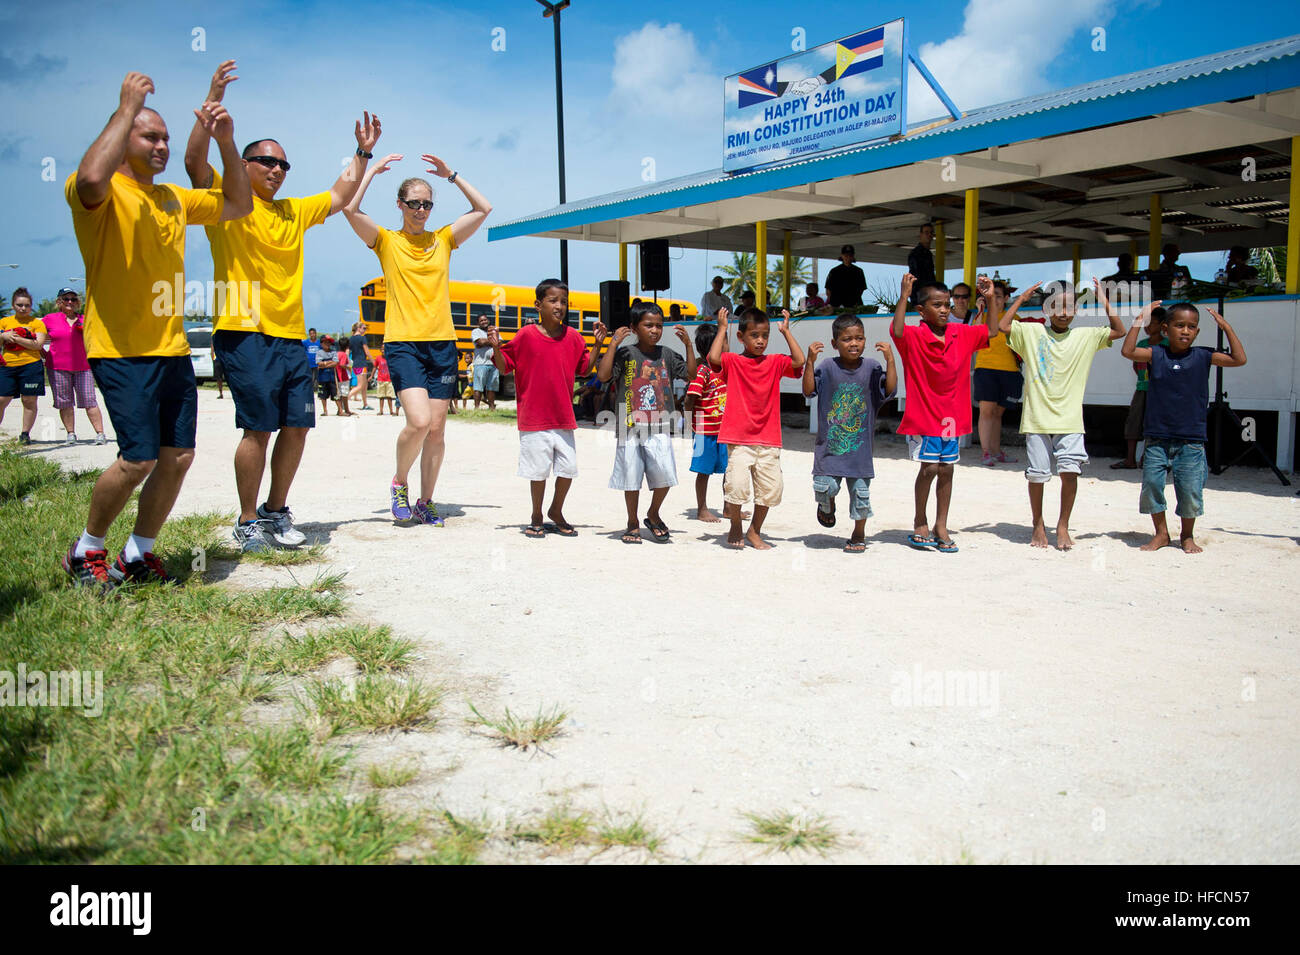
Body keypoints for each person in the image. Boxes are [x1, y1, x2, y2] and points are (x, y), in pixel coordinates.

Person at [62, 70, 252, 590]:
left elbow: (238, 204)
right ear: (122, 138)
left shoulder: (171, 198)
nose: (163, 145)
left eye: (167, 137)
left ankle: (137, 554)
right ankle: (87, 550)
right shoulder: (99, 196)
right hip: (120, 348)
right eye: (151, 135)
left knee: (178, 456)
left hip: (169, 350)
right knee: (137, 458)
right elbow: (91, 180)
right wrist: (126, 107)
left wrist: (226, 141)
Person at [184, 60, 380, 552]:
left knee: (297, 428)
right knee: (259, 429)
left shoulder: (293, 211)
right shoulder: (227, 203)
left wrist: (362, 152)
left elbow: (340, 192)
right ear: (244, 166)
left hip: (292, 336)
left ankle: (276, 513)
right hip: (243, 331)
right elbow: (193, 165)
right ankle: (247, 519)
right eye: (266, 162)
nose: (276, 170)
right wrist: (211, 107)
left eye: (283, 165)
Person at [342, 150, 491, 527]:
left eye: (427, 203)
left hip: (442, 344)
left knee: (438, 430)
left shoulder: (443, 240)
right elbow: (349, 209)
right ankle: (399, 482)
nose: (422, 210)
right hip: (403, 343)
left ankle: (426, 501)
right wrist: (371, 171)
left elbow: (483, 208)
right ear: (401, 205)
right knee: (419, 421)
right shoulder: (386, 242)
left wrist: (451, 175)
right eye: (414, 203)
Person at [1002, 278, 1125, 550]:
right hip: (1036, 419)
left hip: (1070, 420)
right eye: (1056, 306)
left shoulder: (1086, 336)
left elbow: (1119, 330)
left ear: (1076, 311)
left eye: (1069, 306)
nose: (1063, 312)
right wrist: (1021, 299)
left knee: (1070, 472)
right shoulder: (1032, 333)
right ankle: (1037, 524)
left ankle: (1063, 525)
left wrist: (1104, 301)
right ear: (1046, 309)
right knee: (1037, 475)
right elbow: (1003, 326)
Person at [1122, 300, 1247, 554]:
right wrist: (1138, 320)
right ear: (1165, 329)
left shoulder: (1203, 356)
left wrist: (1226, 327)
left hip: (1191, 439)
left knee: (1190, 491)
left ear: (1197, 332)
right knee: (1152, 487)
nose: (1186, 331)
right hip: (1157, 437)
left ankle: (1187, 536)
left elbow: (1239, 359)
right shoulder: (1157, 353)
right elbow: (1128, 351)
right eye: (1180, 325)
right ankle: (1161, 534)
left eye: (1192, 326)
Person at [891, 273, 996, 553]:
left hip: (951, 417)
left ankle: (941, 524)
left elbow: (993, 331)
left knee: (947, 469)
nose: (944, 310)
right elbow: (897, 331)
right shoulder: (913, 336)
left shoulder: (960, 333)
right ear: (921, 311)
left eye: (947, 305)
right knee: (929, 468)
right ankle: (919, 521)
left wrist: (991, 298)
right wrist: (904, 295)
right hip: (923, 415)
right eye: (937, 305)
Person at [488, 278, 602, 538]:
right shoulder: (525, 335)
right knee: (538, 472)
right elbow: (505, 366)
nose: (559, 306)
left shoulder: (573, 337)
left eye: (563, 301)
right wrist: (496, 347)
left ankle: (556, 510)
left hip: (563, 417)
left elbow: (584, 369)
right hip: (534, 417)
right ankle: (536, 514)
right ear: (538, 305)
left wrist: (597, 344)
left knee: (567, 469)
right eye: (553, 300)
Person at [596, 301, 696, 544]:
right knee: (631, 476)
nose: (654, 330)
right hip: (629, 425)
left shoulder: (668, 355)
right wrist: (612, 344)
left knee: (665, 474)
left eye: (659, 326)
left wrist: (688, 345)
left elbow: (691, 375)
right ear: (634, 327)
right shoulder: (626, 353)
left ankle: (653, 513)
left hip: (661, 424)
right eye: (648, 325)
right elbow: (603, 375)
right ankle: (632, 522)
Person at [707, 306, 806, 550]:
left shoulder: (774, 362)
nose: (760, 341)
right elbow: (714, 359)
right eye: (754, 335)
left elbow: (799, 361)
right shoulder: (734, 361)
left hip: (768, 438)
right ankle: (735, 525)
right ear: (741, 337)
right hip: (739, 438)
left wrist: (786, 332)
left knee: (770, 489)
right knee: (737, 485)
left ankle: (754, 530)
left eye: (765, 336)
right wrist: (722, 329)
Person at [802, 316, 897, 553]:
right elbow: (808, 391)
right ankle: (827, 505)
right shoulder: (827, 367)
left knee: (861, 496)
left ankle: (858, 533)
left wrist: (891, 360)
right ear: (835, 343)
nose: (853, 343)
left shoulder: (873, 368)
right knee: (824, 487)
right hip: (830, 449)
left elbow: (891, 391)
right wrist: (810, 362)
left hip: (859, 453)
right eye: (847, 339)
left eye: (859, 338)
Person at [972, 280, 1036, 466]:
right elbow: (976, 335)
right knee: (986, 412)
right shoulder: (981, 316)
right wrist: (980, 309)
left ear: (1006, 298)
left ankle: (996, 450)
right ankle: (985, 452)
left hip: (1009, 370)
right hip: (985, 368)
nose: (995, 299)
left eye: (998, 296)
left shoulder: (1013, 318)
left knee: (998, 414)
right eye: (991, 296)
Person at [40, 288, 108, 445]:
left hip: (84, 367)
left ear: (77, 302)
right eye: (66, 299)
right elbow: (36, 338)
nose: (70, 302)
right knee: (65, 402)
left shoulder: (85, 319)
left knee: (90, 400)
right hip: (57, 367)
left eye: (73, 299)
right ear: (59, 302)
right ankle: (71, 434)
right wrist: (44, 354)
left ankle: (100, 434)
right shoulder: (49, 319)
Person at [684, 322, 729, 522]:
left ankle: (729, 507)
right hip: (704, 432)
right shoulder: (703, 371)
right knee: (704, 471)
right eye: (724, 340)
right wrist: (688, 421)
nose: (727, 345)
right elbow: (690, 398)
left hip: (726, 430)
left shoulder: (727, 369)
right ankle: (701, 509)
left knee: (730, 470)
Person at [1112, 307, 1166, 470]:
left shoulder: (1167, 345)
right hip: (1142, 387)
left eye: (1152, 323)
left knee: (1153, 423)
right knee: (1134, 422)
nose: (1147, 327)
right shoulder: (1142, 344)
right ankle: (1130, 459)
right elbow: (1136, 365)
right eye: (1146, 323)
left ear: (1163, 325)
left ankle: (1146, 458)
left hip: (1160, 391)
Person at [0, 287, 49, 444]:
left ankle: (25, 434)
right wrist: (3, 335)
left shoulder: (37, 324)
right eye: (20, 305)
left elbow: (37, 345)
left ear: (31, 306)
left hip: (30, 366)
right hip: (7, 366)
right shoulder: (4, 322)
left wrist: (14, 337)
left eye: (27, 305)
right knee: (2, 400)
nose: (23, 308)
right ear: (13, 305)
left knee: (28, 401)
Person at [470, 313, 498, 410]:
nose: (484, 322)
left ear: (488, 320)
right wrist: (492, 341)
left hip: (494, 363)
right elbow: (480, 343)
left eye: (485, 320)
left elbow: (500, 343)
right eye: (481, 321)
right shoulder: (475, 331)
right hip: (480, 363)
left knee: (492, 387)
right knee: (478, 387)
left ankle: (491, 407)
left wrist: (487, 341)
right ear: (478, 323)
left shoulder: (493, 330)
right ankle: (477, 408)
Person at [825, 244, 867, 309]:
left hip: (854, 305)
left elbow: (861, 289)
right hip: (837, 305)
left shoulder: (859, 271)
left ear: (853, 256)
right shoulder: (834, 271)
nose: (848, 257)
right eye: (846, 255)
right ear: (842, 256)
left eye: (850, 255)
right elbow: (828, 290)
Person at [906, 224, 937, 303]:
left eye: (931, 233)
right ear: (921, 235)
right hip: (920, 297)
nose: (929, 235)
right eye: (926, 232)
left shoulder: (928, 254)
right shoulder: (916, 253)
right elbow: (915, 277)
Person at [347, 321, 374, 410]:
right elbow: (367, 352)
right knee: (360, 385)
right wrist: (374, 362)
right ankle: (345, 400)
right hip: (361, 363)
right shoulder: (362, 338)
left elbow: (348, 351)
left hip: (355, 364)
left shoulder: (351, 339)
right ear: (359, 328)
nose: (365, 330)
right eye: (364, 328)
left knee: (365, 385)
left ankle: (365, 404)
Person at [315, 336, 339, 414]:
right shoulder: (319, 352)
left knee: (335, 394)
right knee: (323, 395)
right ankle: (325, 410)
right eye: (326, 342)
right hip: (322, 377)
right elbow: (318, 363)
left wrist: (324, 364)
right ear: (321, 343)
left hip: (332, 377)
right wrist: (329, 362)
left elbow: (335, 363)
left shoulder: (333, 352)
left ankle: (340, 410)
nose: (328, 344)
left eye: (329, 342)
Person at [373, 349, 396, 414]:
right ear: (380, 350)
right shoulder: (378, 358)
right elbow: (374, 367)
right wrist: (371, 376)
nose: (383, 351)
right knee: (381, 396)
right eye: (382, 349)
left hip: (389, 380)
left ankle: (391, 410)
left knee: (389, 396)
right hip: (381, 380)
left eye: (384, 349)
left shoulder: (390, 358)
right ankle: (381, 410)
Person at [333, 344, 352, 416]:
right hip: (343, 376)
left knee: (339, 394)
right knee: (344, 394)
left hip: (337, 376)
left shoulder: (336, 353)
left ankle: (339, 409)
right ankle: (346, 410)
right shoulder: (343, 354)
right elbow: (342, 364)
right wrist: (348, 368)